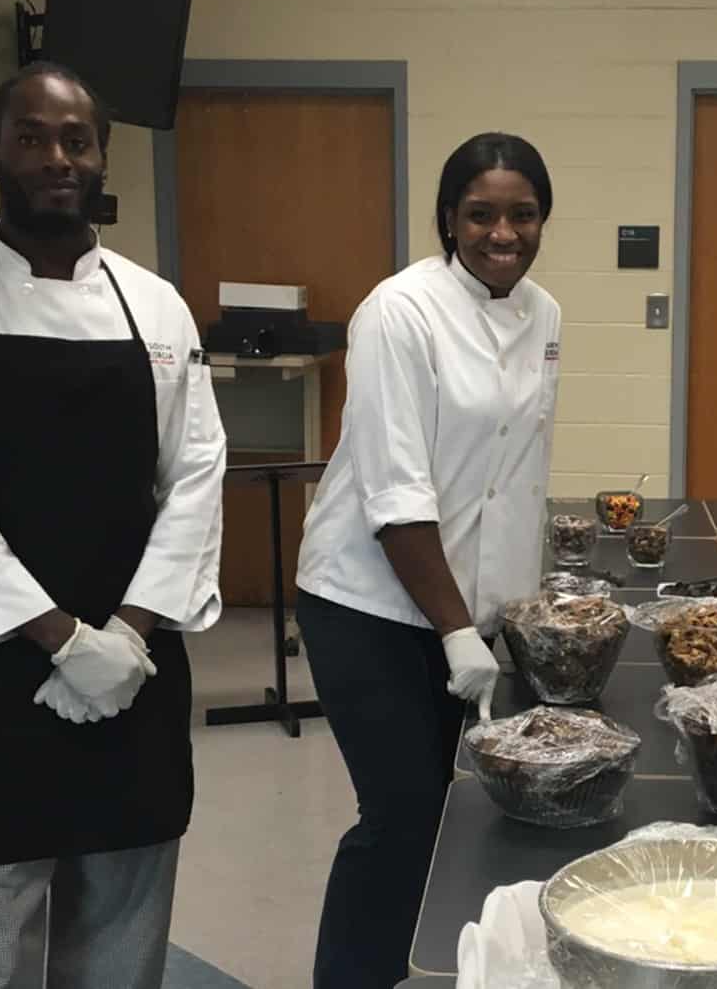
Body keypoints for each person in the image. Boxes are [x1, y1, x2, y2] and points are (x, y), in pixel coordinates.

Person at [0, 62, 226, 989]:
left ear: (102, 154)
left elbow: (195, 477)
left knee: (120, 934)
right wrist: (64, 639)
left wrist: (125, 635)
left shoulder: (155, 307)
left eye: (76, 138)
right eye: (31, 136)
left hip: (134, 671)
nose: (56, 157)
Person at [295, 132, 560, 988]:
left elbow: (517, 472)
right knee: (404, 816)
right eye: (481, 214)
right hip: (366, 606)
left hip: (475, 613)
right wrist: (454, 632)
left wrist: (523, 611)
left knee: (466, 811)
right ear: (449, 218)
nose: (502, 233)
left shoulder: (544, 315)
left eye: (523, 214)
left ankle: (448, 967)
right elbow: (397, 494)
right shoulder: (396, 312)